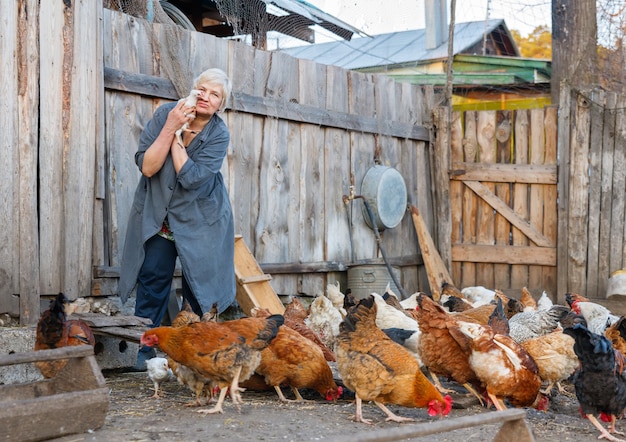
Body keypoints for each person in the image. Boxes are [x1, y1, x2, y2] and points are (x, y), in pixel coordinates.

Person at [118, 68, 236, 371]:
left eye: (215, 95)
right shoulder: (166, 114)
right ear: (193, 90)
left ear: (221, 103)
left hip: (201, 217)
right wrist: (171, 125)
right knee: (153, 276)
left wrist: (175, 140)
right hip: (161, 213)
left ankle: (194, 353)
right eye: (203, 90)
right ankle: (145, 352)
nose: (206, 98)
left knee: (199, 286)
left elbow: (192, 178)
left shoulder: (218, 133)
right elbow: (147, 166)